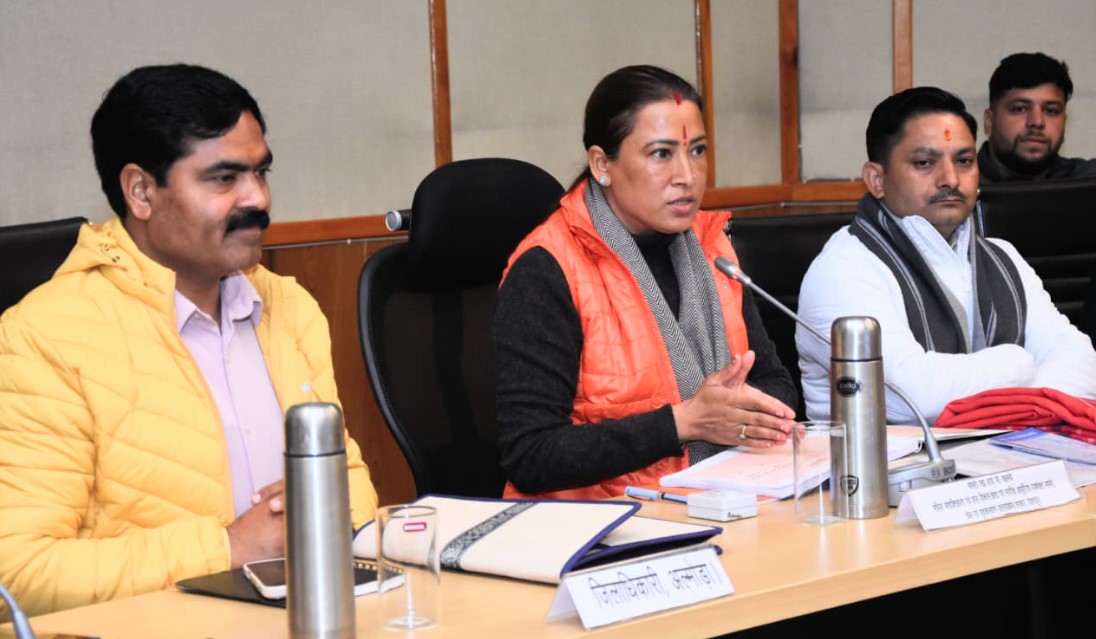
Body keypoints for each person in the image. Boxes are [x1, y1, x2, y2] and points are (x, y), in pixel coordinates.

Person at [0, 64, 378, 617]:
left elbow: (349, 483)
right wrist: (229, 548)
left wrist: (326, 515)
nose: (258, 199)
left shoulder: (289, 308)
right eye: (224, 179)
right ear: (140, 192)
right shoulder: (44, 338)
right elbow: (16, 574)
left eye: (261, 172)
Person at [492, 65, 797, 500]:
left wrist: (737, 410)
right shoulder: (547, 269)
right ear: (602, 164)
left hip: (714, 502)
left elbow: (776, 384)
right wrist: (684, 423)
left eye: (697, 151)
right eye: (661, 154)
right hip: (598, 524)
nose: (687, 175)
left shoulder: (711, 248)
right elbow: (532, 455)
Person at [796, 86, 1096, 425]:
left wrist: (1019, 406)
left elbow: (1080, 362)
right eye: (925, 163)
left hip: (1007, 453)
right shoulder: (843, 269)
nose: (950, 179)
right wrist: (1020, 364)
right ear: (877, 180)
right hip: (886, 460)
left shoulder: (1003, 257)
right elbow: (909, 398)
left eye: (964, 161)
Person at [978, 52, 1096, 183]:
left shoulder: (1089, 182)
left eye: (1050, 111)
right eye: (1020, 109)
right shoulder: (961, 185)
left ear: (1064, 123)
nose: (1037, 122)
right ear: (989, 122)